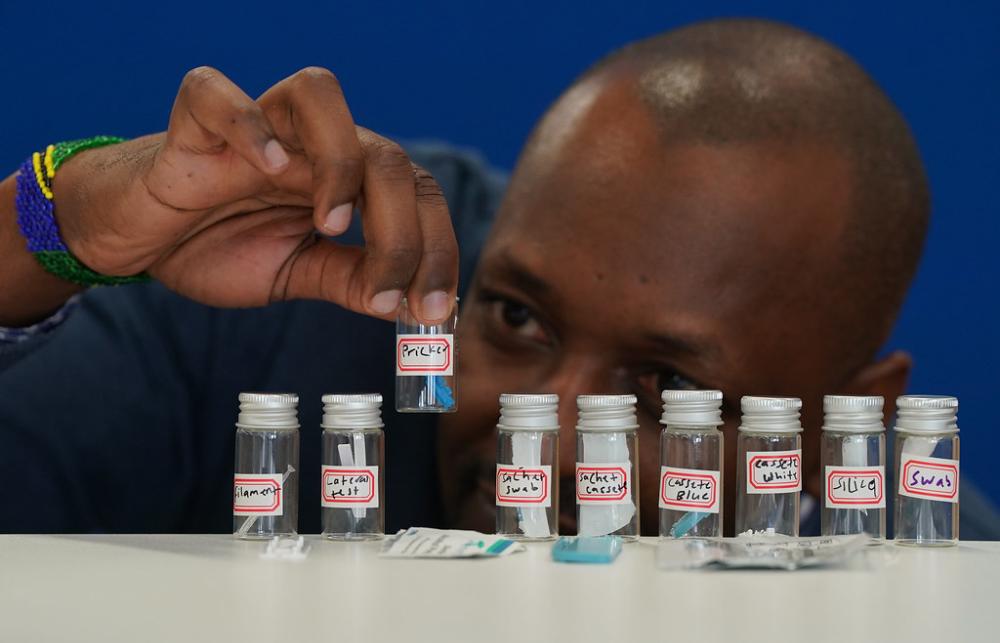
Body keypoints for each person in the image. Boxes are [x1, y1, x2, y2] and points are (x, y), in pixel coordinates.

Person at [1, 18, 997, 537]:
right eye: (517, 317)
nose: (549, 436)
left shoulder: (934, 586)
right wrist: (50, 224)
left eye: (670, 390)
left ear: (841, 428)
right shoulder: (298, 297)